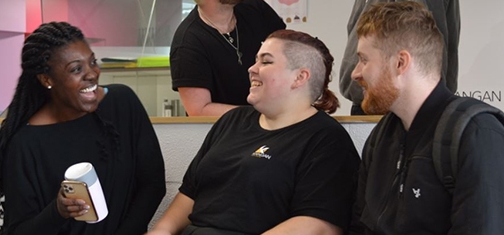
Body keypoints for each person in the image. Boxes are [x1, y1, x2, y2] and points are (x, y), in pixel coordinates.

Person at [149, 30, 360, 235]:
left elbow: (320, 225)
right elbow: (190, 193)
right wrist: (161, 231)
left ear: (300, 77)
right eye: (255, 60)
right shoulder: (232, 121)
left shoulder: (327, 140)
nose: (252, 69)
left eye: (266, 62)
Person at [348, 1, 504, 235]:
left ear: (400, 63)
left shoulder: (478, 134)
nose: (355, 73)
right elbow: (359, 226)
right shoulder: (382, 136)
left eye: (364, 59)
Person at [0, 21, 166, 235]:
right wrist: (57, 211)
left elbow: (153, 185)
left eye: (92, 62)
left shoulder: (122, 103)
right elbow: (19, 230)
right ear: (47, 79)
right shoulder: (25, 143)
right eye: (76, 69)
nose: (92, 74)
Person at [171, 0, 285, 116]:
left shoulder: (253, 7)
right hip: (226, 136)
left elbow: (289, 50)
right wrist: (262, 116)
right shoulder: (188, 43)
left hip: (272, 124)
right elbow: (199, 110)